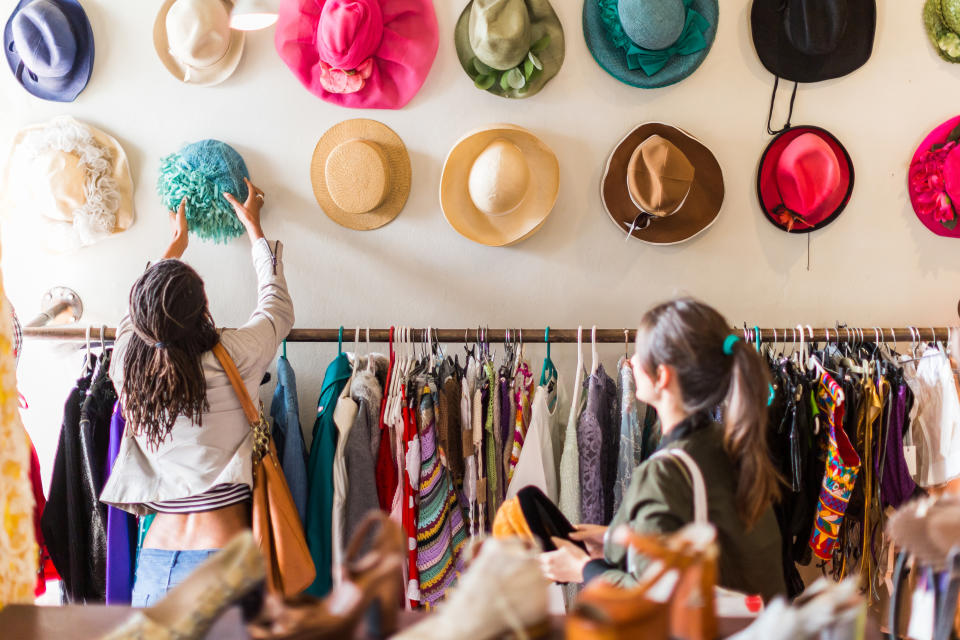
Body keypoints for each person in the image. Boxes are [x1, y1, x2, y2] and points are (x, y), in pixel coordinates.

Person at [99, 179, 294, 606]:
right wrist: (253, 230)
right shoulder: (236, 354)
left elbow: (136, 314)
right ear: (203, 307)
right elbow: (276, 306)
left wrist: (174, 245)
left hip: (153, 565)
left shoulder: (128, 364)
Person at [539, 298, 786, 602]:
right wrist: (612, 538)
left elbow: (654, 596)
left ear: (663, 376)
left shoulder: (666, 472)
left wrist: (582, 568)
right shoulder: (731, 448)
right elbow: (703, 543)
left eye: (640, 356)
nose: (631, 363)